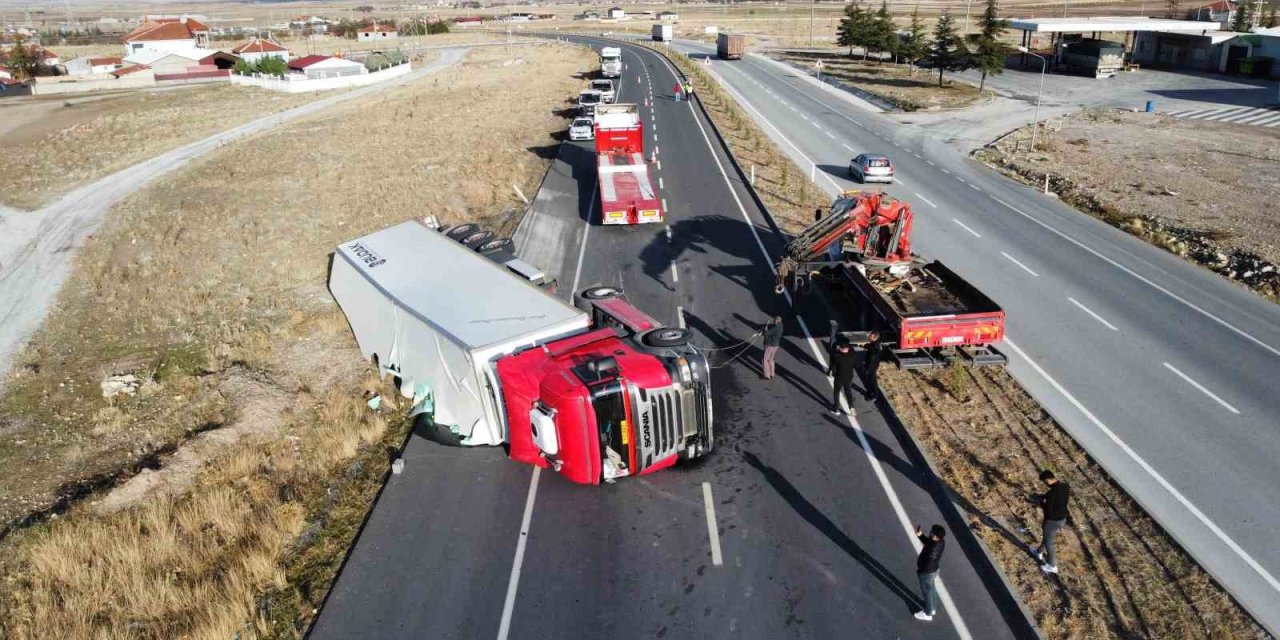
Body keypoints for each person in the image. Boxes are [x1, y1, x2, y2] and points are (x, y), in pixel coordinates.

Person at [1031, 469, 1070, 574]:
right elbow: (1052, 495)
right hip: (1063, 518)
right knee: (1047, 536)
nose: (1045, 484)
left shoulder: (1052, 494)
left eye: (1044, 482)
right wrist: (1041, 497)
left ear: (1048, 480)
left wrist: (1040, 503)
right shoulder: (1065, 486)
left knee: (1049, 542)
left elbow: (1048, 510)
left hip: (1052, 521)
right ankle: (1039, 552)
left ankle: (1052, 566)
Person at [914, 524, 946, 622]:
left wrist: (921, 571)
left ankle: (928, 613)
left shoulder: (932, 550)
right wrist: (920, 535)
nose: (930, 532)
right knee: (931, 589)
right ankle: (932, 608)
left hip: (926, 573)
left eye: (932, 532)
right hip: (934, 570)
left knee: (927, 592)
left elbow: (927, 560)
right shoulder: (940, 542)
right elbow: (928, 542)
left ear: (935, 536)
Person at [826, 341, 858, 415]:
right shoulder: (852, 356)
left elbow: (833, 368)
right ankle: (851, 408)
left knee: (836, 392)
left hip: (839, 377)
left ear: (841, 348)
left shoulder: (837, 357)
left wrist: (831, 373)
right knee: (848, 392)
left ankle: (836, 408)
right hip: (849, 377)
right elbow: (856, 365)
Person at [861, 331, 884, 401]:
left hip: (871, 367)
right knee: (870, 380)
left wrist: (868, 368)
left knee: (872, 381)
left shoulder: (875, 348)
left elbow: (872, 359)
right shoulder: (874, 344)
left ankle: (874, 395)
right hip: (872, 366)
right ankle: (871, 392)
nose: (869, 336)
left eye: (870, 336)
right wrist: (864, 346)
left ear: (875, 338)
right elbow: (869, 346)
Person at [761, 315, 784, 380]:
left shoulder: (775, 328)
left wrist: (766, 327)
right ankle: (772, 374)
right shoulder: (781, 326)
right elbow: (774, 328)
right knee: (771, 359)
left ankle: (767, 375)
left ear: (777, 321)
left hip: (770, 345)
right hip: (776, 345)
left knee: (765, 359)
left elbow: (766, 333)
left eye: (775, 320)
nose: (774, 321)